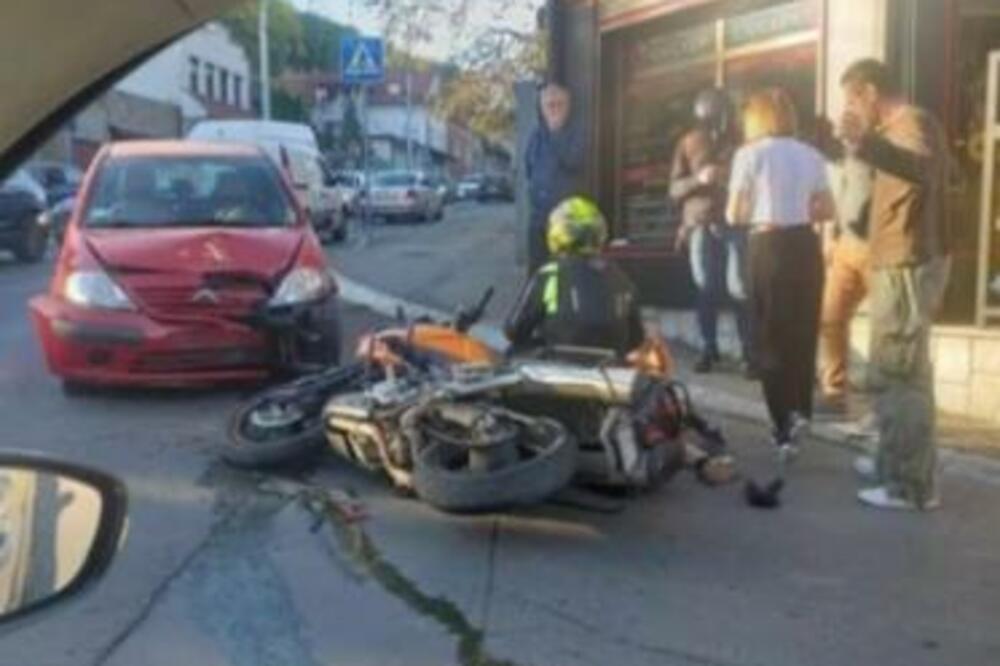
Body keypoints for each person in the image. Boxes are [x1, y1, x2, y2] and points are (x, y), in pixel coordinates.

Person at [838, 59, 951, 511]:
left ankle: (909, 486)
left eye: (852, 100)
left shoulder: (913, 124)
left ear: (869, 92)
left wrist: (866, 144)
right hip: (902, 260)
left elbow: (920, 169)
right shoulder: (901, 130)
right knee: (896, 372)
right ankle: (896, 462)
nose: (852, 109)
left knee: (900, 374)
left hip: (907, 263)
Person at [726, 88, 835, 456]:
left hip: (768, 244)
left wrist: (760, 205)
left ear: (755, 119)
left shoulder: (749, 154)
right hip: (805, 244)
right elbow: (827, 210)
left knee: (769, 337)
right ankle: (801, 411)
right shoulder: (812, 155)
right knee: (802, 333)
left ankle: (782, 426)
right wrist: (799, 206)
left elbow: (734, 214)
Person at [670, 88, 753, 376]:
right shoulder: (688, 143)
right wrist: (698, 179)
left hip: (733, 221)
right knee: (706, 288)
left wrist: (725, 176)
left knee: (739, 286)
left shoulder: (741, 143)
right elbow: (674, 189)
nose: (719, 123)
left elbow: (751, 181)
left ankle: (748, 352)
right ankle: (708, 348)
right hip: (700, 223)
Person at [505, 196, 644, 358]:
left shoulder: (549, 274)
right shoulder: (619, 276)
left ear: (556, 233)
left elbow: (513, 330)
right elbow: (636, 339)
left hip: (559, 366)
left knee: (514, 352)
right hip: (610, 367)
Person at [814, 118, 875, 415]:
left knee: (887, 326)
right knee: (831, 318)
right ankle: (834, 393)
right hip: (845, 246)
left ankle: (884, 404)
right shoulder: (846, 160)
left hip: (878, 247)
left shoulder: (882, 153)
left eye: (846, 131)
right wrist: (832, 237)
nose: (841, 137)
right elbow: (842, 198)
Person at [525, 82, 588, 276]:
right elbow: (529, 168)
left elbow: (574, 160)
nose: (553, 109)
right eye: (548, 104)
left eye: (558, 104)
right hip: (539, 220)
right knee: (538, 275)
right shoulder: (536, 136)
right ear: (541, 107)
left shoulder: (578, 132)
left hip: (567, 220)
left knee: (566, 276)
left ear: (568, 105)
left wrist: (556, 133)